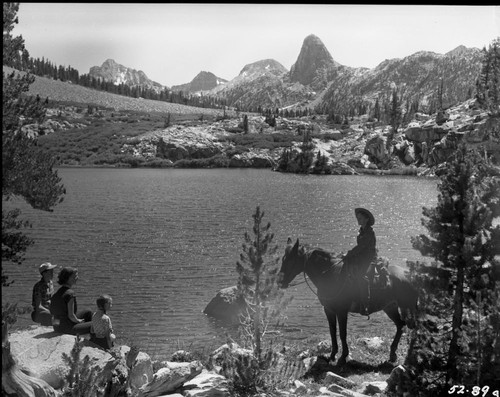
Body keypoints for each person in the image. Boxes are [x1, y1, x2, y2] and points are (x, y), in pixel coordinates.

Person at [342, 208, 377, 315]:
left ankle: (365, 305)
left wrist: (349, 254)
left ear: (366, 219)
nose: (358, 220)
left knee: (360, 276)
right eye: (357, 218)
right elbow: (359, 248)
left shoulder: (369, 232)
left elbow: (361, 247)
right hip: (361, 256)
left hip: (368, 258)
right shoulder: (362, 230)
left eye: (360, 218)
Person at [49, 267, 93, 335]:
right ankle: (95, 341)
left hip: (57, 326)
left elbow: (53, 313)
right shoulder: (70, 294)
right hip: (67, 328)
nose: (77, 277)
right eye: (75, 276)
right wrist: (78, 321)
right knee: (97, 324)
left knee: (88, 312)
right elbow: (71, 316)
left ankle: (88, 336)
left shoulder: (56, 294)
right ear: (68, 278)